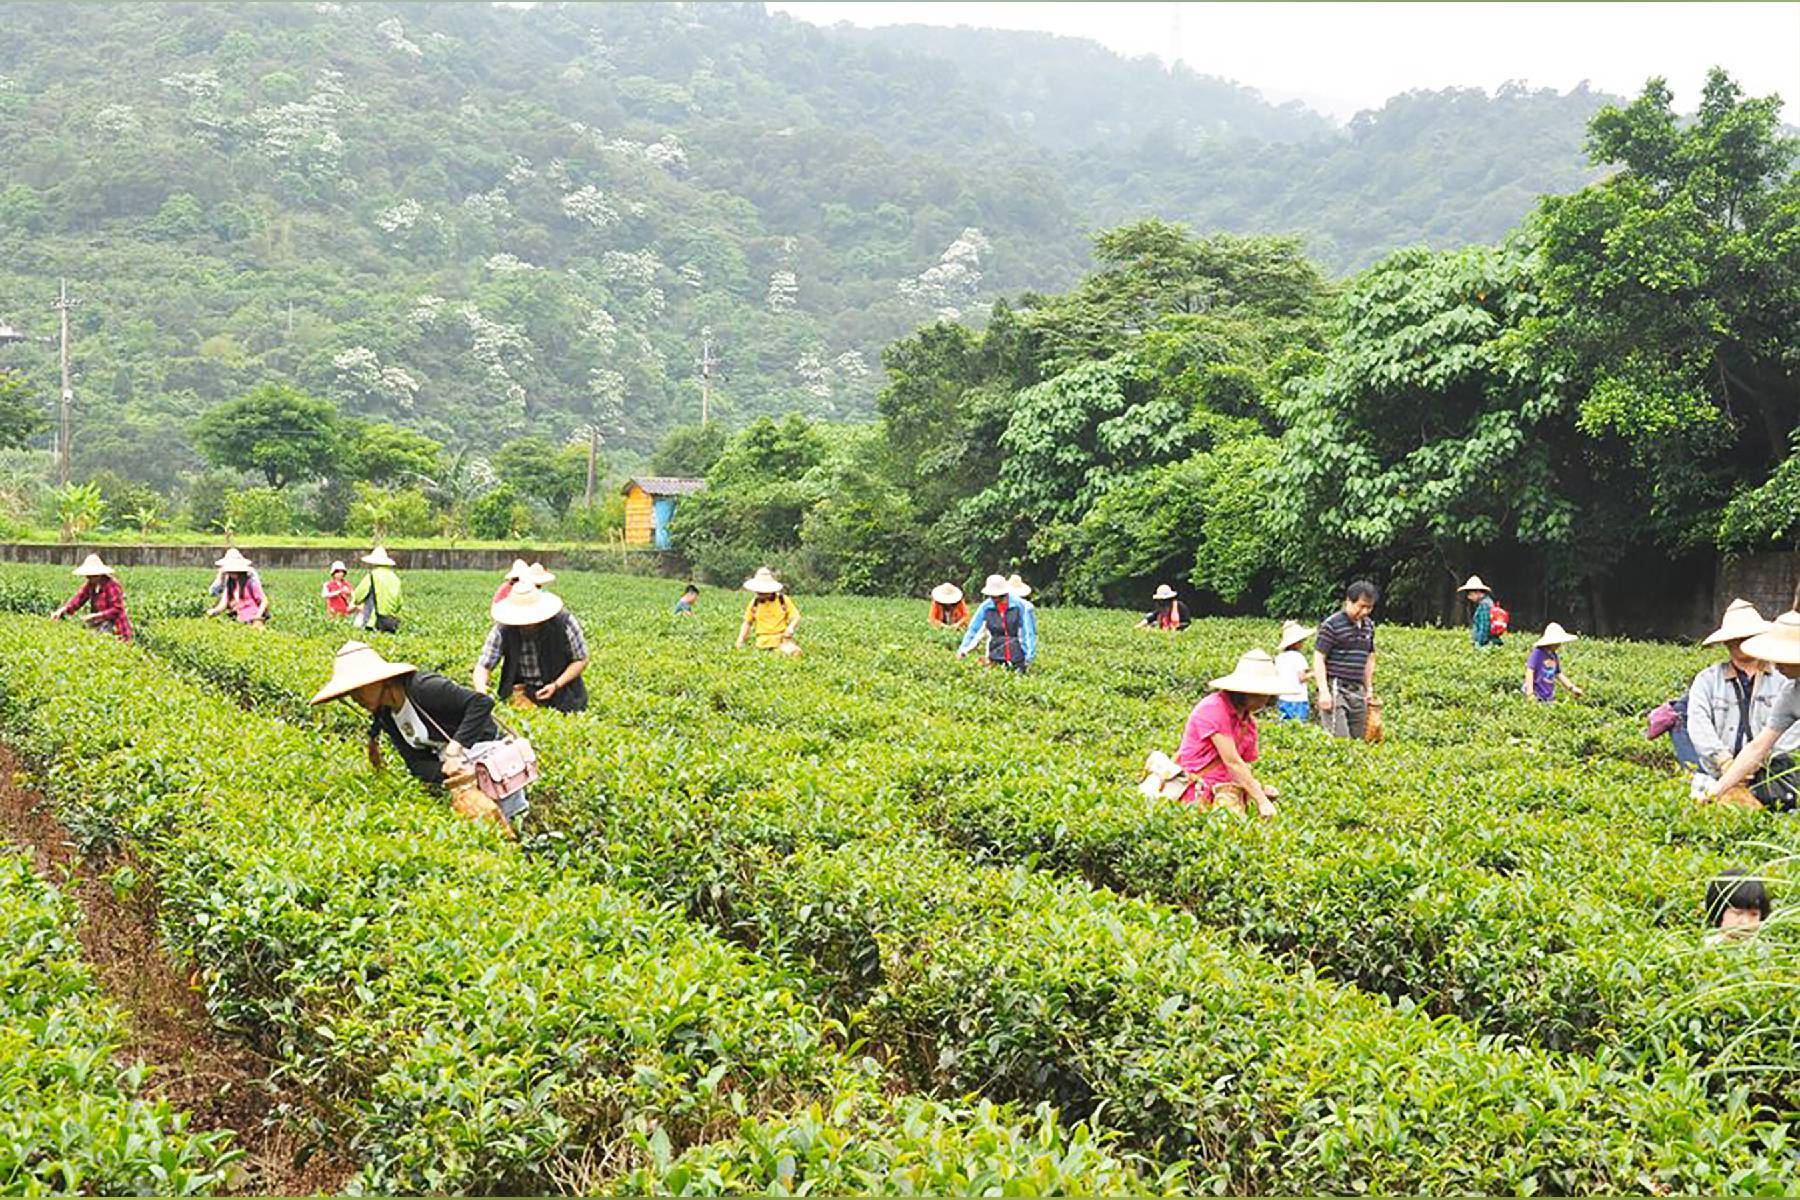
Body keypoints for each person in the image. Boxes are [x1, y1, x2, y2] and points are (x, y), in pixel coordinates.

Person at [309, 640, 528, 830]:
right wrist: (451, 774)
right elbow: (416, 763)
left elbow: (481, 703)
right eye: (351, 694)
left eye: (359, 690)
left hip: (490, 761)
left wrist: (455, 748)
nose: (356, 698)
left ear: (379, 681)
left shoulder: (423, 688)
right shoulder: (387, 715)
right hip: (460, 770)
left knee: (512, 823)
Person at [1686, 600, 1800, 791]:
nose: (1777, 665)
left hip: (1773, 771)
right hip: (1727, 772)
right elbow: (1758, 746)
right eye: (1735, 639)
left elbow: (1791, 735)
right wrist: (1726, 769)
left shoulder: (1782, 681)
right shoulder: (1708, 680)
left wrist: (1768, 760)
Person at [1174, 649, 1284, 817]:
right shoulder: (1213, 708)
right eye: (1260, 695)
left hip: (1227, 794)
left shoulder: (1248, 722)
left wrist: (1260, 790)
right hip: (1197, 793)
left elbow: (1241, 767)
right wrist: (1261, 800)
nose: (1264, 701)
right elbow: (1232, 762)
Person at [473, 581, 590, 713]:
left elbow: (581, 659)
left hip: (564, 692)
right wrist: (481, 691)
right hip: (522, 692)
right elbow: (483, 665)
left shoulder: (564, 623)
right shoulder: (503, 629)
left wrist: (556, 685)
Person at [1314, 581, 1378, 739]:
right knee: (1340, 739)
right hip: (1337, 688)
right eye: (1361, 606)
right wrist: (1324, 691)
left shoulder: (1369, 626)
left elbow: (1369, 657)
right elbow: (1319, 657)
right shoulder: (1332, 625)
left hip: (1358, 690)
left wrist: (1369, 688)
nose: (1365, 611)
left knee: (1359, 740)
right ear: (1348, 601)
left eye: (1369, 607)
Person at [959, 574, 1036, 671]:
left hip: (1017, 655)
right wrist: (964, 649)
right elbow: (974, 629)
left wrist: (1028, 657)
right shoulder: (986, 607)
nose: (994, 599)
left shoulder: (1021, 606)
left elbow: (1028, 633)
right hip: (995, 654)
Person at [51, 553, 132, 641]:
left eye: (91, 575)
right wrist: (62, 610)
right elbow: (78, 599)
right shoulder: (91, 585)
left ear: (99, 574)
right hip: (102, 625)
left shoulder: (112, 585)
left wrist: (95, 616)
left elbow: (117, 609)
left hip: (118, 629)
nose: (88, 577)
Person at [736, 567, 801, 655]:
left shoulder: (782, 600)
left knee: (795, 653)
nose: (761, 593)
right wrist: (740, 640)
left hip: (782, 641)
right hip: (762, 644)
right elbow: (747, 623)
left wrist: (791, 628)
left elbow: (796, 617)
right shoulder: (754, 603)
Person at [1704, 869, 1770, 945]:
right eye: (1737, 913)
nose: (1745, 922)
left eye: (1754, 914)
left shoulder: (1764, 948)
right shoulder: (1705, 947)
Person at [1523, 622, 1584, 702]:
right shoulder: (1537, 653)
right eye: (1556, 642)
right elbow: (1530, 671)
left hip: (1548, 695)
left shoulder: (1553, 656)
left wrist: (1572, 688)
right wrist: (1530, 694)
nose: (1559, 645)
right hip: (1536, 695)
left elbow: (1558, 674)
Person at [206, 549, 268, 626]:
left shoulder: (250, 583)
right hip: (240, 620)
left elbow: (264, 601)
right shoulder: (230, 583)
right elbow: (223, 603)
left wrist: (258, 616)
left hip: (252, 619)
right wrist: (214, 611)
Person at [351, 547, 404, 633]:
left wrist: (356, 603)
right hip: (389, 622)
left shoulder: (372, 576)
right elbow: (399, 603)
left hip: (373, 621)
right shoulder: (395, 579)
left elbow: (358, 595)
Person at [1274, 620, 1312, 722]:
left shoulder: (1279, 657)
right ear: (1296, 643)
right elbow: (1302, 677)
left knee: (1285, 725)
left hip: (1283, 697)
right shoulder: (1299, 657)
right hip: (1298, 699)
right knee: (1299, 725)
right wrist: (1314, 673)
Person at [1461, 575, 1502, 648]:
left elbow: (1484, 627)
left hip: (1487, 644)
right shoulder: (1487, 602)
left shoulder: (1485, 605)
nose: (1469, 597)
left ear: (1478, 592)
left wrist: (1479, 644)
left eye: (1470, 594)